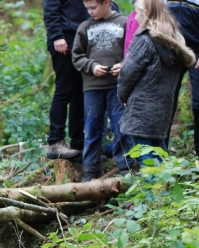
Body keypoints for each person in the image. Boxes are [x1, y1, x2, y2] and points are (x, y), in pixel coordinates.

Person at [43, 0, 122, 159]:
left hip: (85, 37)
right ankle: (55, 141)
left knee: (79, 93)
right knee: (64, 89)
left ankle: (79, 144)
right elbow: (50, 8)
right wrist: (57, 35)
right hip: (64, 39)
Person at [118, 0, 196, 158]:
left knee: (145, 155)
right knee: (158, 149)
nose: (136, 17)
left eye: (137, 13)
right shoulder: (175, 44)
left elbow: (128, 72)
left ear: (145, 14)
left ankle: (152, 183)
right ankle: (162, 181)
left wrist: (122, 95)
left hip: (141, 110)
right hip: (163, 113)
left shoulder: (143, 40)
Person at [72, 0, 134, 181]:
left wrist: (123, 65)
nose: (90, 12)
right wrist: (91, 66)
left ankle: (126, 167)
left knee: (120, 126)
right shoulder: (84, 27)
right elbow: (77, 55)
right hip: (92, 87)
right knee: (92, 128)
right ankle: (91, 171)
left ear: (107, 2)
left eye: (93, 8)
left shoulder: (124, 23)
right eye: (87, 8)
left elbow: (132, 52)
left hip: (117, 87)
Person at [166, 0, 199, 160]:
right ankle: (160, 154)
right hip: (171, 51)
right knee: (165, 102)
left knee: (198, 103)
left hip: (196, 51)